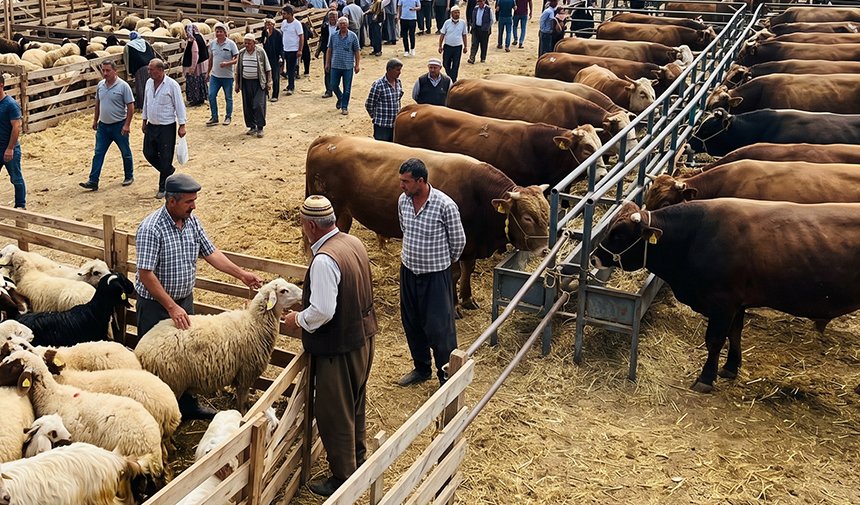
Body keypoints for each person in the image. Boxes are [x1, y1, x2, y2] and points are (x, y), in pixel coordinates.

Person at [135, 173, 263, 419]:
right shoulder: (151, 228)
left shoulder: (191, 222)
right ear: (171, 201)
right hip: (157, 306)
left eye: (194, 200)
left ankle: (188, 407)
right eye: (188, 201)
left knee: (187, 360)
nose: (194, 206)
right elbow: (146, 274)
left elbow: (211, 253)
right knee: (158, 363)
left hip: (183, 301)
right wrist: (171, 307)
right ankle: (158, 416)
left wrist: (241, 275)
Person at [282, 196, 376, 497]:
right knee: (355, 402)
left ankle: (342, 476)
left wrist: (298, 319)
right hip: (363, 338)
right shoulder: (352, 243)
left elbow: (322, 311)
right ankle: (358, 457)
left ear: (310, 225)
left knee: (334, 411)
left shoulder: (324, 260)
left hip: (338, 348)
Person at [396, 158, 465, 387]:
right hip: (408, 271)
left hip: (435, 276)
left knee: (439, 327)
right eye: (401, 181)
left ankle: (446, 375)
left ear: (421, 181)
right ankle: (421, 368)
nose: (402, 186)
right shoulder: (403, 202)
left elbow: (458, 242)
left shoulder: (445, 205)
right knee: (412, 322)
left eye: (406, 181)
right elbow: (405, 229)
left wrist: (442, 263)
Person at [80, 60, 135, 191]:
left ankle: (129, 175)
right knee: (98, 153)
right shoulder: (100, 85)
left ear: (115, 71)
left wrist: (127, 125)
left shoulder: (123, 86)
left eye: (108, 70)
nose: (105, 73)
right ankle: (93, 180)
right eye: (103, 70)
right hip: (103, 126)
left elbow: (130, 106)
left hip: (119, 125)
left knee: (125, 151)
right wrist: (95, 120)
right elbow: (98, 103)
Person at [141, 58, 186, 199]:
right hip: (152, 124)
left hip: (167, 126)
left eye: (151, 69)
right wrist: (144, 120)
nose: (149, 72)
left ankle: (163, 187)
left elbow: (179, 104)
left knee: (166, 156)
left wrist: (182, 124)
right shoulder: (149, 83)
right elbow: (146, 102)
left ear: (160, 70)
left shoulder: (171, 85)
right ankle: (167, 171)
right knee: (148, 152)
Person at [235, 33, 273, 138]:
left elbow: (267, 68)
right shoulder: (241, 53)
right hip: (246, 82)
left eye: (249, 43)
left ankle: (260, 127)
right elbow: (238, 70)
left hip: (259, 82)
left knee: (258, 105)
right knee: (248, 105)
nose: (246, 45)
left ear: (254, 43)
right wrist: (237, 83)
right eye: (245, 43)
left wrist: (269, 82)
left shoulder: (260, 52)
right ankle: (252, 126)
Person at [326, 16, 361, 115]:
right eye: (340, 24)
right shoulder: (333, 36)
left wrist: (357, 65)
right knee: (333, 85)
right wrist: (327, 63)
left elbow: (357, 51)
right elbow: (329, 50)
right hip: (335, 65)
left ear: (347, 25)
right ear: (338, 25)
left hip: (348, 66)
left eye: (344, 24)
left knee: (347, 88)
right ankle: (340, 98)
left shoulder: (353, 36)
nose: (342, 26)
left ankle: (344, 106)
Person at [0, 73, 25, 210]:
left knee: (16, 178)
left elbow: (16, 127)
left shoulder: (10, 105)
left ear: (1, 85)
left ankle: (20, 206)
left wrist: (10, 148)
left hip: (9, 148)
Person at [206, 23, 239, 127]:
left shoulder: (231, 44)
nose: (218, 33)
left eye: (221, 31)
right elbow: (211, 58)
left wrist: (227, 64)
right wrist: (208, 72)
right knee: (211, 95)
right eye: (217, 31)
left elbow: (237, 58)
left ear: (225, 33)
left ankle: (228, 116)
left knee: (228, 97)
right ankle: (214, 117)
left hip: (227, 76)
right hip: (215, 76)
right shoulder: (212, 44)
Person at [365, 58, 403, 141]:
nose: (399, 72)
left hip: (394, 124)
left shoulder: (398, 83)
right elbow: (369, 104)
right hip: (382, 126)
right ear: (389, 70)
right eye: (397, 70)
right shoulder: (378, 85)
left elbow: (398, 100)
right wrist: (375, 117)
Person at [123, 31, 156, 109]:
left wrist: (129, 72)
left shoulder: (128, 46)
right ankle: (152, 103)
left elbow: (126, 59)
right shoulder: (146, 43)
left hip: (139, 69)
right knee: (152, 85)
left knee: (141, 87)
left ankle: (142, 106)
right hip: (151, 67)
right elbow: (153, 53)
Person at [438, 5, 467, 81]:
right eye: (455, 12)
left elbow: (464, 35)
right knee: (445, 63)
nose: (457, 14)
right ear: (451, 13)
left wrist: (465, 46)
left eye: (458, 12)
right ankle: (451, 77)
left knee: (456, 65)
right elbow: (442, 35)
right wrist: (440, 46)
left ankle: (453, 80)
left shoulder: (463, 23)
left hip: (458, 47)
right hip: (448, 46)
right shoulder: (447, 23)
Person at [182, 24, 209, 106]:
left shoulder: (193, 40)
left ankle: (195, 99)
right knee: (201, 80)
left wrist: (192, 67)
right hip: (202, 64)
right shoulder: (200, 36)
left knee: (194, 81)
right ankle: (201, 98)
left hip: (196, 65)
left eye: (187, 31)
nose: (186, 33)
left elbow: (195, 53)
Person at [281, 6, 304, 97]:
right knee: (285, 67)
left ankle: (291, 86)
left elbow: (301, 37)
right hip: (285, 48)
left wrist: (300, 49)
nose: (283, 15)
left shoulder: (297, 24)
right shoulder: (284, 23)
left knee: (291, 68)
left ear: (290, 14)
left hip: (293, 49)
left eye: (284, 14)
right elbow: (282, 33)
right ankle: (289, 84)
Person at [316, 10, 339, 98]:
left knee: (336, 70)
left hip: (337, 50)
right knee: (327, 69)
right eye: (331, 17)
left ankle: (335, 88)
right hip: (327, 50)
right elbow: (322, 38)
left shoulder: (340, 26)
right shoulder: (325, 26)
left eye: (334, 17)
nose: (332, 19)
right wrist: (318, 50)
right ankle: (328, 90)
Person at [261, 18, 284, 102]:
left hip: (275, 56)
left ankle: (275, 94)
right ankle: (266, 93)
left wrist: (281, 57)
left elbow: (281, 46)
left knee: (275, 76)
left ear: (273, 25)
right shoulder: (264, 33)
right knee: (265, 75)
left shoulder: (278, 33)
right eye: (267, 24)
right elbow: (263, 43)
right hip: (266, 56)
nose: (268, 26)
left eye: (270, 24)